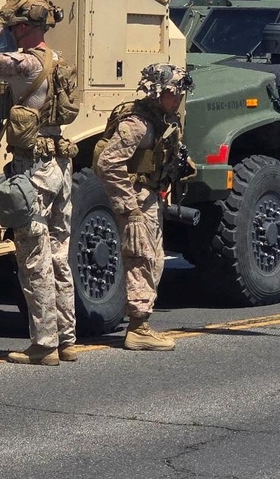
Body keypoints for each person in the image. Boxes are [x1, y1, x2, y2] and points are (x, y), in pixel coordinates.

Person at [0, 0, 79, 366]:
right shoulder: (58, 61)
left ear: (24, 27)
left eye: (14, 28)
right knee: (60, 254)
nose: (10, 34)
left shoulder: (25, 63)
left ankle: (44, 344)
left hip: (34, 168)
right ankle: (66, 337)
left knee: (34, 255)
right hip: (60, 166)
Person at [94, 63, 195, 351]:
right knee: (141, 257)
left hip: (150, 196)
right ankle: (139, 327)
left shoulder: (163, 119)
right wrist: (130, 207)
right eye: (172, 93)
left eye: (179, 93)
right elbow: (108, 164)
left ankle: (142, 322)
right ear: (156, 92)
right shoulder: (137, 124)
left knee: (155, 258)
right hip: (136, 199)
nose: (177, 98)